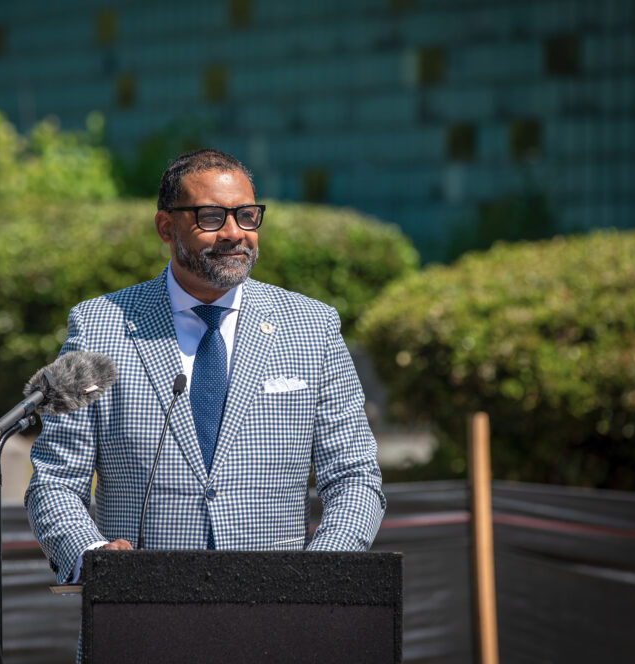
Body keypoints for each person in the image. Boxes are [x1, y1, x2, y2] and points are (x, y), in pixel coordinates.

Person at [25, 149, 385, 585]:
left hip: (279, 606)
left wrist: (319, 573)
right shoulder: (100, 326)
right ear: (166, 227)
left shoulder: (312, 327)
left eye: (247, 216)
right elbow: (57, 480)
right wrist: (93, 557)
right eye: (211, 217)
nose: (234, 233)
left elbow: (354, 476)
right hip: (142, 604)